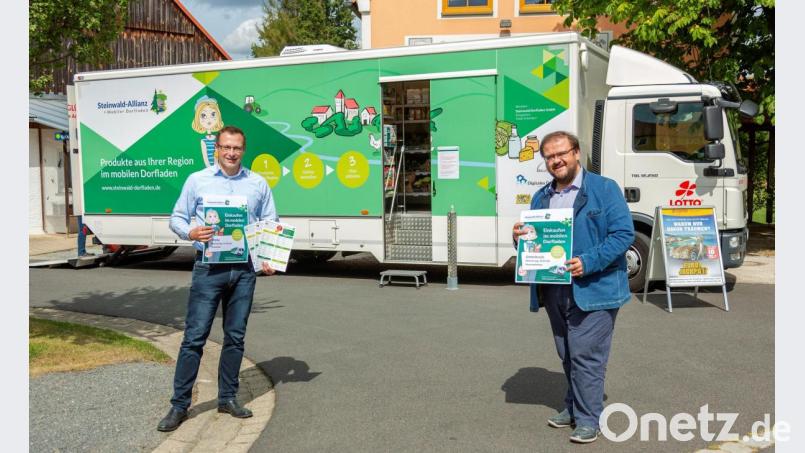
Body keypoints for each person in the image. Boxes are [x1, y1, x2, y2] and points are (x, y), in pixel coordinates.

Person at [512, 131, 634, 444]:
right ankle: (573, 405)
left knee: (586, 354)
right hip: (554, 288)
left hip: (596, 288)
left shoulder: (604, 189)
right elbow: (536, 240)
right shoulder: (542, 197)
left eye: (561, 153)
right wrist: (520, 238)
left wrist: (588, 261)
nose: (556, 161)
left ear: (576, 152)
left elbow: (623, 235)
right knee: (566, 352)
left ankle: (588, 419)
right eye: (550, 157)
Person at [158, 125, 278, 432]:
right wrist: (191, 232)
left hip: (244, 271)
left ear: (243, 150)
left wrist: (269, 258)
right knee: (194, 338)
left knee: (235, 338)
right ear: (217, 149)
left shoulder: (257, 184)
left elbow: (270, 223)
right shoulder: (197, 181)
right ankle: (179, 405)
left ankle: (228, 397)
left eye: (236, 148)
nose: (231, 153)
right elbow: (177, 218)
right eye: (226, 147)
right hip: (208, 269)